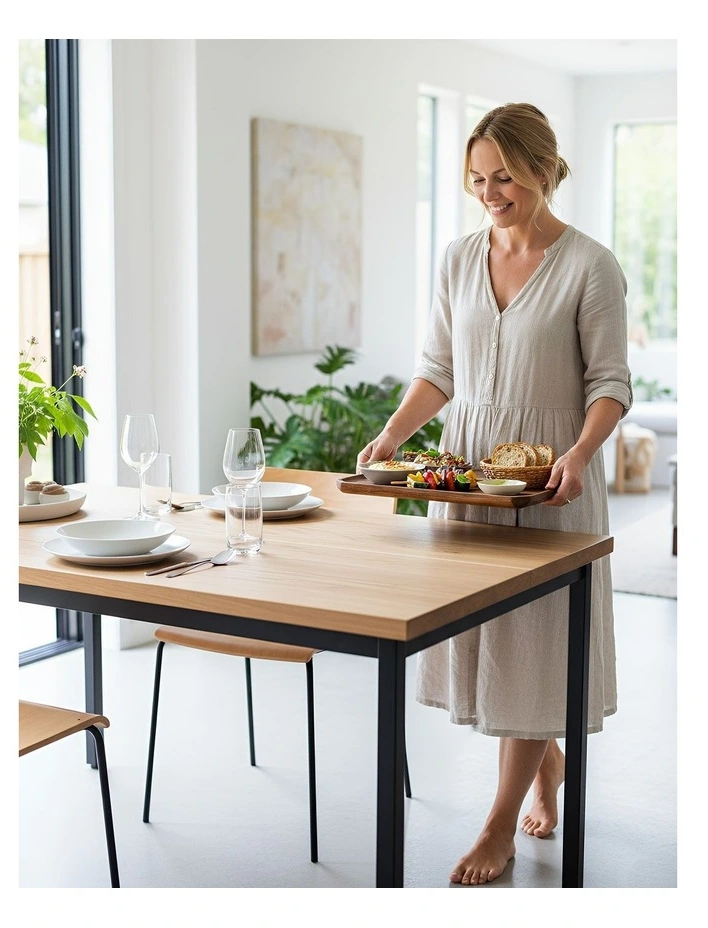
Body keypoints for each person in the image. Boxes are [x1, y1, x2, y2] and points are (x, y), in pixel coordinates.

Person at [358, 103, 632, 886]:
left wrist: (580, 452)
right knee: (495, 646)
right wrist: (394, 434)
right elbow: (438, 369)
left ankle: (498, 826)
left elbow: (611, 382)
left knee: (535, 642)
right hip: (470, 476)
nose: (490, 191)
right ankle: (546, 762)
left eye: (504, 176)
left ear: (542, 169)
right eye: (478, 178)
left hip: (551, 484)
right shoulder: (455, 258)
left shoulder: (590, 265)